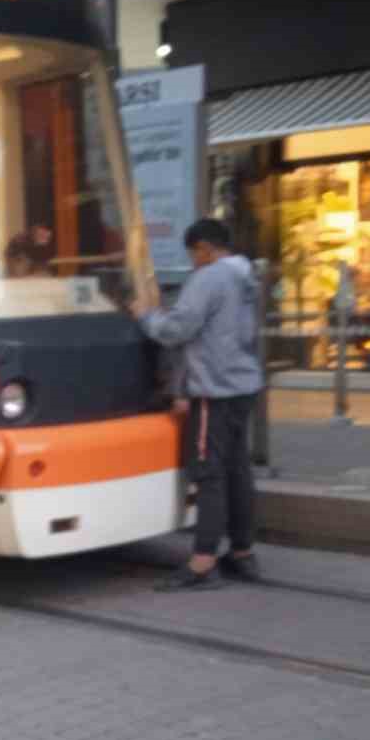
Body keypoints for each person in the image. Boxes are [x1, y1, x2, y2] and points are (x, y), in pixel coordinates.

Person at [140, 217, 265, 591]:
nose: (193, 260)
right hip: (244, 385)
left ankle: (202, 562)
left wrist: (146, 317)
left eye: (194, 253)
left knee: (209, 472)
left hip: (214, 389)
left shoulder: (210, 277)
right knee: (237, 470)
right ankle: (242, 553)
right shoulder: (246, 275)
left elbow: (178, 328)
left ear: (204, 249)